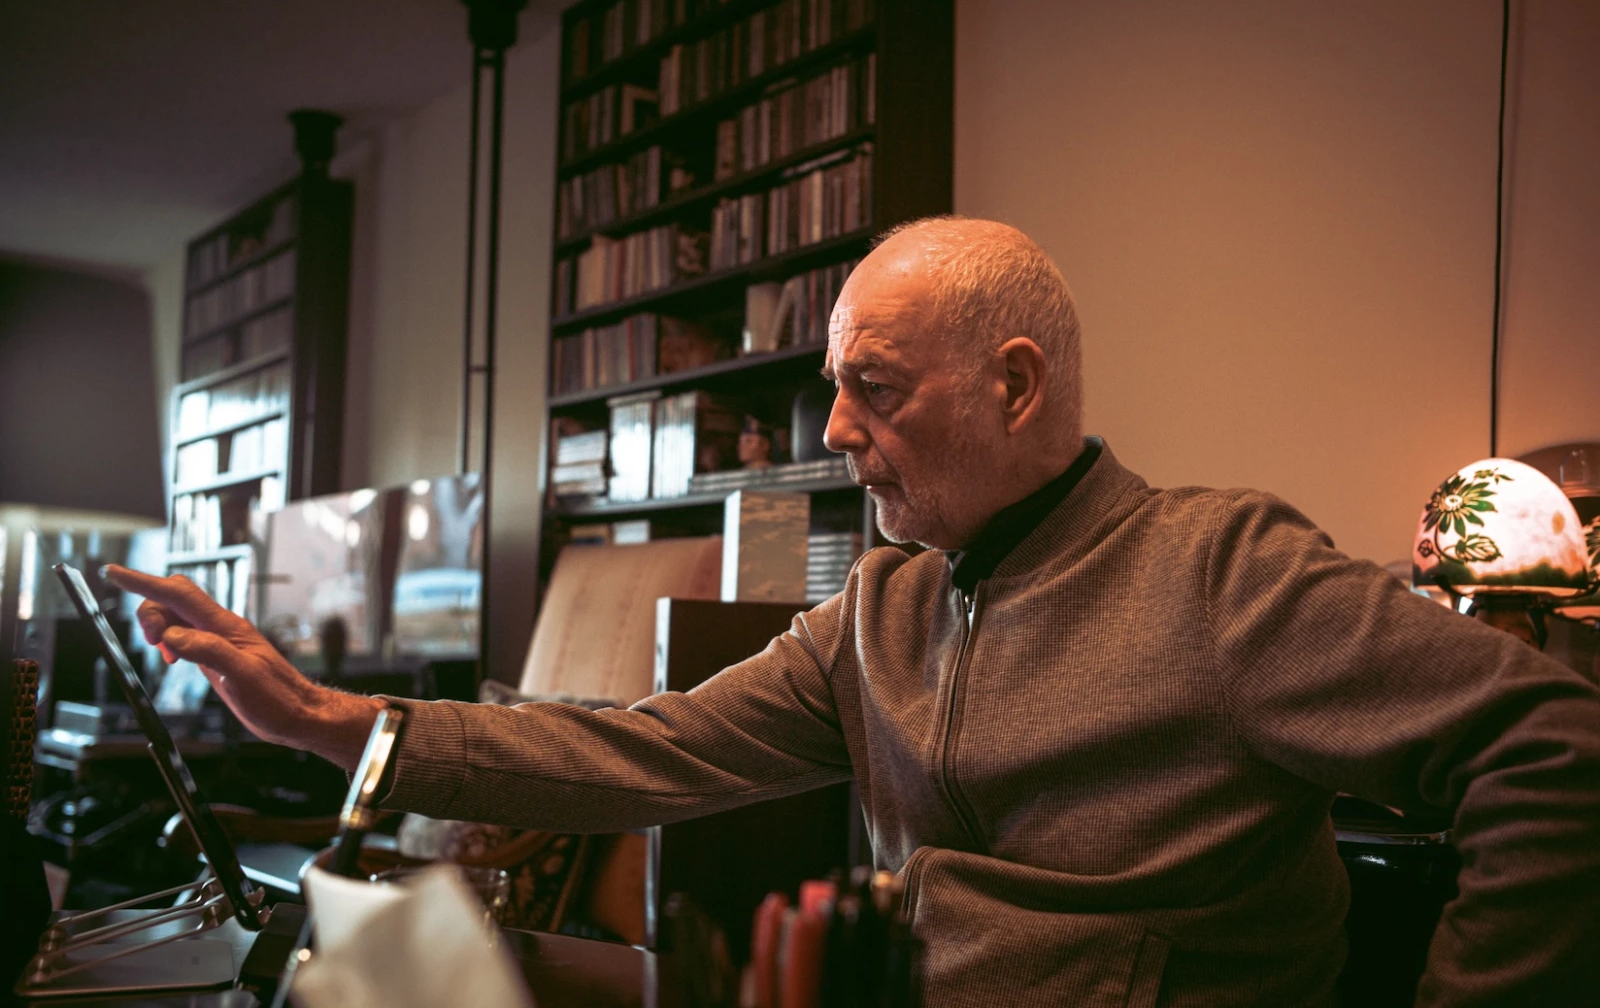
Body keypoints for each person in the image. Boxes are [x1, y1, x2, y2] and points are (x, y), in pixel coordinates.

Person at [110, 218, 1600, 1007]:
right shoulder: (880, 608)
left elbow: (1555, 746)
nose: (833, 430)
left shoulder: (1222, 571)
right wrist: (331, 721)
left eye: (873, 389)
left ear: (1014, 387)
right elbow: (640, 749)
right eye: (835, 387)